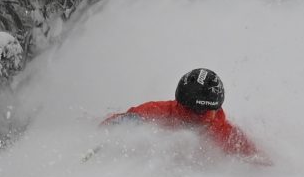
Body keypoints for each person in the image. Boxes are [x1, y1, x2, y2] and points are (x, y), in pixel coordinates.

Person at [102, 68, 267, 164]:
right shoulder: (157, 112)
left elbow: (259, 161)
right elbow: (108, 126)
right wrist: (122, 125)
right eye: (193, 110)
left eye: (206, 111)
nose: (200, 117)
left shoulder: (226, 134)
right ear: (181, 103)